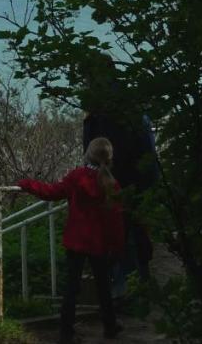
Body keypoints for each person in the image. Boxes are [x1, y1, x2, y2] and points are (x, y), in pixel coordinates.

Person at [18, 137, 125, 344]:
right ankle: (110, 326)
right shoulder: (112, 184)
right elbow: (116, 220)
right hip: (100, 243)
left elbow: (51, 192)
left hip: (76, 241)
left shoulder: (77, 177)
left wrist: (26, 184)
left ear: (88, 154)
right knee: (103, 286)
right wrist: (117, 247)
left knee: (71, 288)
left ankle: (66, 333)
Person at [84, 104, 159, 293]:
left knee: (122, 237)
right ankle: (137, 287)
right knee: (134, 236)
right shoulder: (136, 118)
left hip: (118, 189)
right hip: (132, 188)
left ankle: (125, 288)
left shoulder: (99, 119)